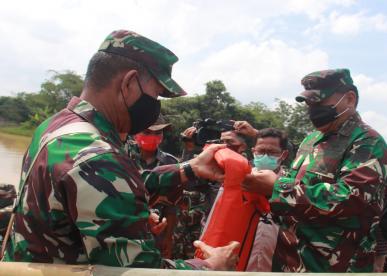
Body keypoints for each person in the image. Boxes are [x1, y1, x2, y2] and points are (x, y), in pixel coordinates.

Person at [3, 30, 238, 270]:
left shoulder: (57, 127)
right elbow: (138, 273)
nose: (155, 105)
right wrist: (210, 268)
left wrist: (189, 169)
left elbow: (103, 186)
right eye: (156, 94)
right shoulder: (98, 156)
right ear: (128, 83)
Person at [242, 69, 387, 272]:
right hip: (292, 260)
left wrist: (278, 187)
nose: (312, 110)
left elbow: (350, 198)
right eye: (309, 104)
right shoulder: (311, 140)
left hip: (334, 265)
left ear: (349, 99)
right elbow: (300, 185)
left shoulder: (367, 141)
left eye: (319, 103)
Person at [173, 128, 247, 259]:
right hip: (207, 234)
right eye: (221, 141)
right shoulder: (211, 167)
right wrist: (189, 150)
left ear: (242, 146)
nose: (224, 146)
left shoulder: (249, 171)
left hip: (236, 240)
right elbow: (187, 183)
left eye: (229, 142)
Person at [126, 116, 180, 259]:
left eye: (158, 133)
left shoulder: (171, 163)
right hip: (124, 230)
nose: (153, 137)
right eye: (147, 132)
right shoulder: (122, 156)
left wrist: (168, 237)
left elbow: (172, 206)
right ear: (136, 133)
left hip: (156, 233)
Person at [244, 127, 289, 272]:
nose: (265, 156)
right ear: (253, 152)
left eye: (272, 152)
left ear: (283, 155)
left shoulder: (294, 186)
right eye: (261, 151)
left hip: (279, 262)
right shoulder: (241, 180)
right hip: (242, 260)